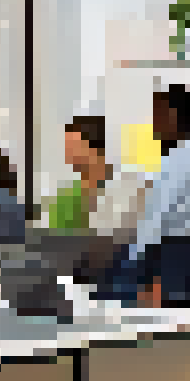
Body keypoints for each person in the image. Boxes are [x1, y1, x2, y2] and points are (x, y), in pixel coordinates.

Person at [127, 85, 190, 309]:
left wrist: (136, 262)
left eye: (159, 115)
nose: (154, 125)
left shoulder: (175, 161)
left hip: (174, 255)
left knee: (166, 328)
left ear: (174, 116)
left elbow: (156, 219)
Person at [59, 115, 151, 295]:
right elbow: (57, 243)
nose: (68, 155)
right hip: (78, 280)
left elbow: (130, 240)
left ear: (94, 148)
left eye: (73, 147)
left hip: (121, 278)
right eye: (66, 148)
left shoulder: (129, 185)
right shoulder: (67, 195)